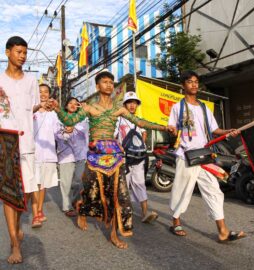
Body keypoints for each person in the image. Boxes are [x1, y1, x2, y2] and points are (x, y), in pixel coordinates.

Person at [52, 70, 174, 249]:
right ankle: (82, 212)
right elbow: (69, 120)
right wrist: (56, 108)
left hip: (115, 155)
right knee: (91, 191)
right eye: (105, 82)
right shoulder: (89, 107)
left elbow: (139, 122)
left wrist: (164, 127)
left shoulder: (119, 108)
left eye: (111, 82)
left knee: (119, 196)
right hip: (95, 156)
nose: (109, 85)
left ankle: (114, 234)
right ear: (97, 86)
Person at [168, 70, 246, 242]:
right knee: (182, 190)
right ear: (183, 85)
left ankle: (223, 231)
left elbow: (214, 130)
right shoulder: (177, 107)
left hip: (204, 155)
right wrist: (173, 130)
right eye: (190, 81)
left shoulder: (204, 107)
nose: (194, 84)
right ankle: (176, 221)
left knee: (214, 191)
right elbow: (172, 127)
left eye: (196, 81)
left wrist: (227, 132)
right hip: (186, 155)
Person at [0, 36, 44, 264]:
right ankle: (15, 244)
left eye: (25, 52)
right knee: (9, 196)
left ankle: (17, 227)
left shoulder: (31, 81)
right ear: (8, 52)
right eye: (19, 51)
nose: (23, 56)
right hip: (5, 144)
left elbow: (32, 107)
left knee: (24, 193)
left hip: (28, 145)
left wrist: (44, 105)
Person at [115, 91, 158, 223]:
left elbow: (144, 132)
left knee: (140, 184)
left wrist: (142, 143)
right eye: (129, 102)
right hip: (123, 158)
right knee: (123, 186)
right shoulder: (119, 119)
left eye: (135, 103)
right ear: (125, 105)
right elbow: (113, 136)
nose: (132, 105)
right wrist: (119, 146)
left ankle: (145, 213)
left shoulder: (138, 120)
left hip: (138, 158)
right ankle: (121, 213)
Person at [56, 97, 88, 217]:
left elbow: (83, 131)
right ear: (66, 105)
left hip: (80, 155)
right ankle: (66, 206)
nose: (73, 105)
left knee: (78, 181)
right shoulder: (59, 119)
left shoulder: (83, 119)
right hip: (65, 155)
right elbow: (58, 135)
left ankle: (76, 203)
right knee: (65, 183)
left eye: (76, 104)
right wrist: (65, 132)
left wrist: (84, 110)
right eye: (70, 103)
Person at [34, 83, 59, 226]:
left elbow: (58, 133)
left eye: (45, 92)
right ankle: (36, 211)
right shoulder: (31, 112)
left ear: (49, 95)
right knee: (35, 182)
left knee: (43, 183)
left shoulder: (53, 114)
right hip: (33, 152)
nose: (43, 94)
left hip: (48, 154)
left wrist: (66, 131)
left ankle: (39, 209)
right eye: (40, 92)